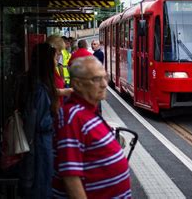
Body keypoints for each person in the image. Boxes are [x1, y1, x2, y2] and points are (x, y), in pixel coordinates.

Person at [53, 56, 131, 198]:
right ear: (78, 84)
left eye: (104, 78)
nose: (104, 84)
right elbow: (71, 177)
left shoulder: (87, 111)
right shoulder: (73, 117)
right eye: (96, 79)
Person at [18, 43, 59, 198]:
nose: (57, 61)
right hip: (41, 145)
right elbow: (42, 122)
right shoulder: (41, 88)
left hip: (35, 144)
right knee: (42, 184)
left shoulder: (29, 81)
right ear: (47, 62)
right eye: (55, 58)